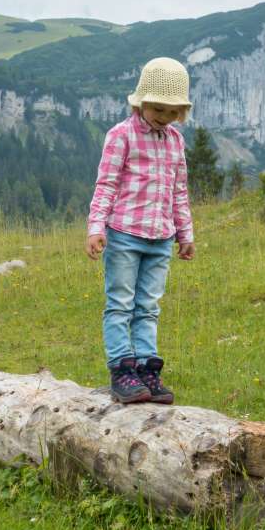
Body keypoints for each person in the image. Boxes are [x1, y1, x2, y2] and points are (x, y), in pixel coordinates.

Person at [85, 57, 196, 404]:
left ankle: (148, 368)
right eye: (158, 109)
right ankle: (122, 368)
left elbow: (179, 190)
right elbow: (106, 184)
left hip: (161, 238)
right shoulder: (121, 136)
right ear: (142, 102)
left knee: (148, 306)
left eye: (172, 112)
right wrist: (95, 227)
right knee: (120, 303)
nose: (163, 117)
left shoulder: (175, 141)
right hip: (125, 234)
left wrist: (185, 233)